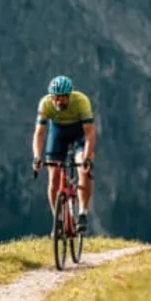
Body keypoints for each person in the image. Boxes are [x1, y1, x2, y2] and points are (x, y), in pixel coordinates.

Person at [31, 75, 97, 231]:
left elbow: (89, 133)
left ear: (70, 96)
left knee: (83, 169)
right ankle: (58, 219)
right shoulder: (45, 103)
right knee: (53, 177)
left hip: (79, 132)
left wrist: (87, 157)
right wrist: (37, 157)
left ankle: (82, 213)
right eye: (56, 98)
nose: (59, 101)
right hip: (58, 133)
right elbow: (39, 134)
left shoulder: (81, 101)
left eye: (63, 98)